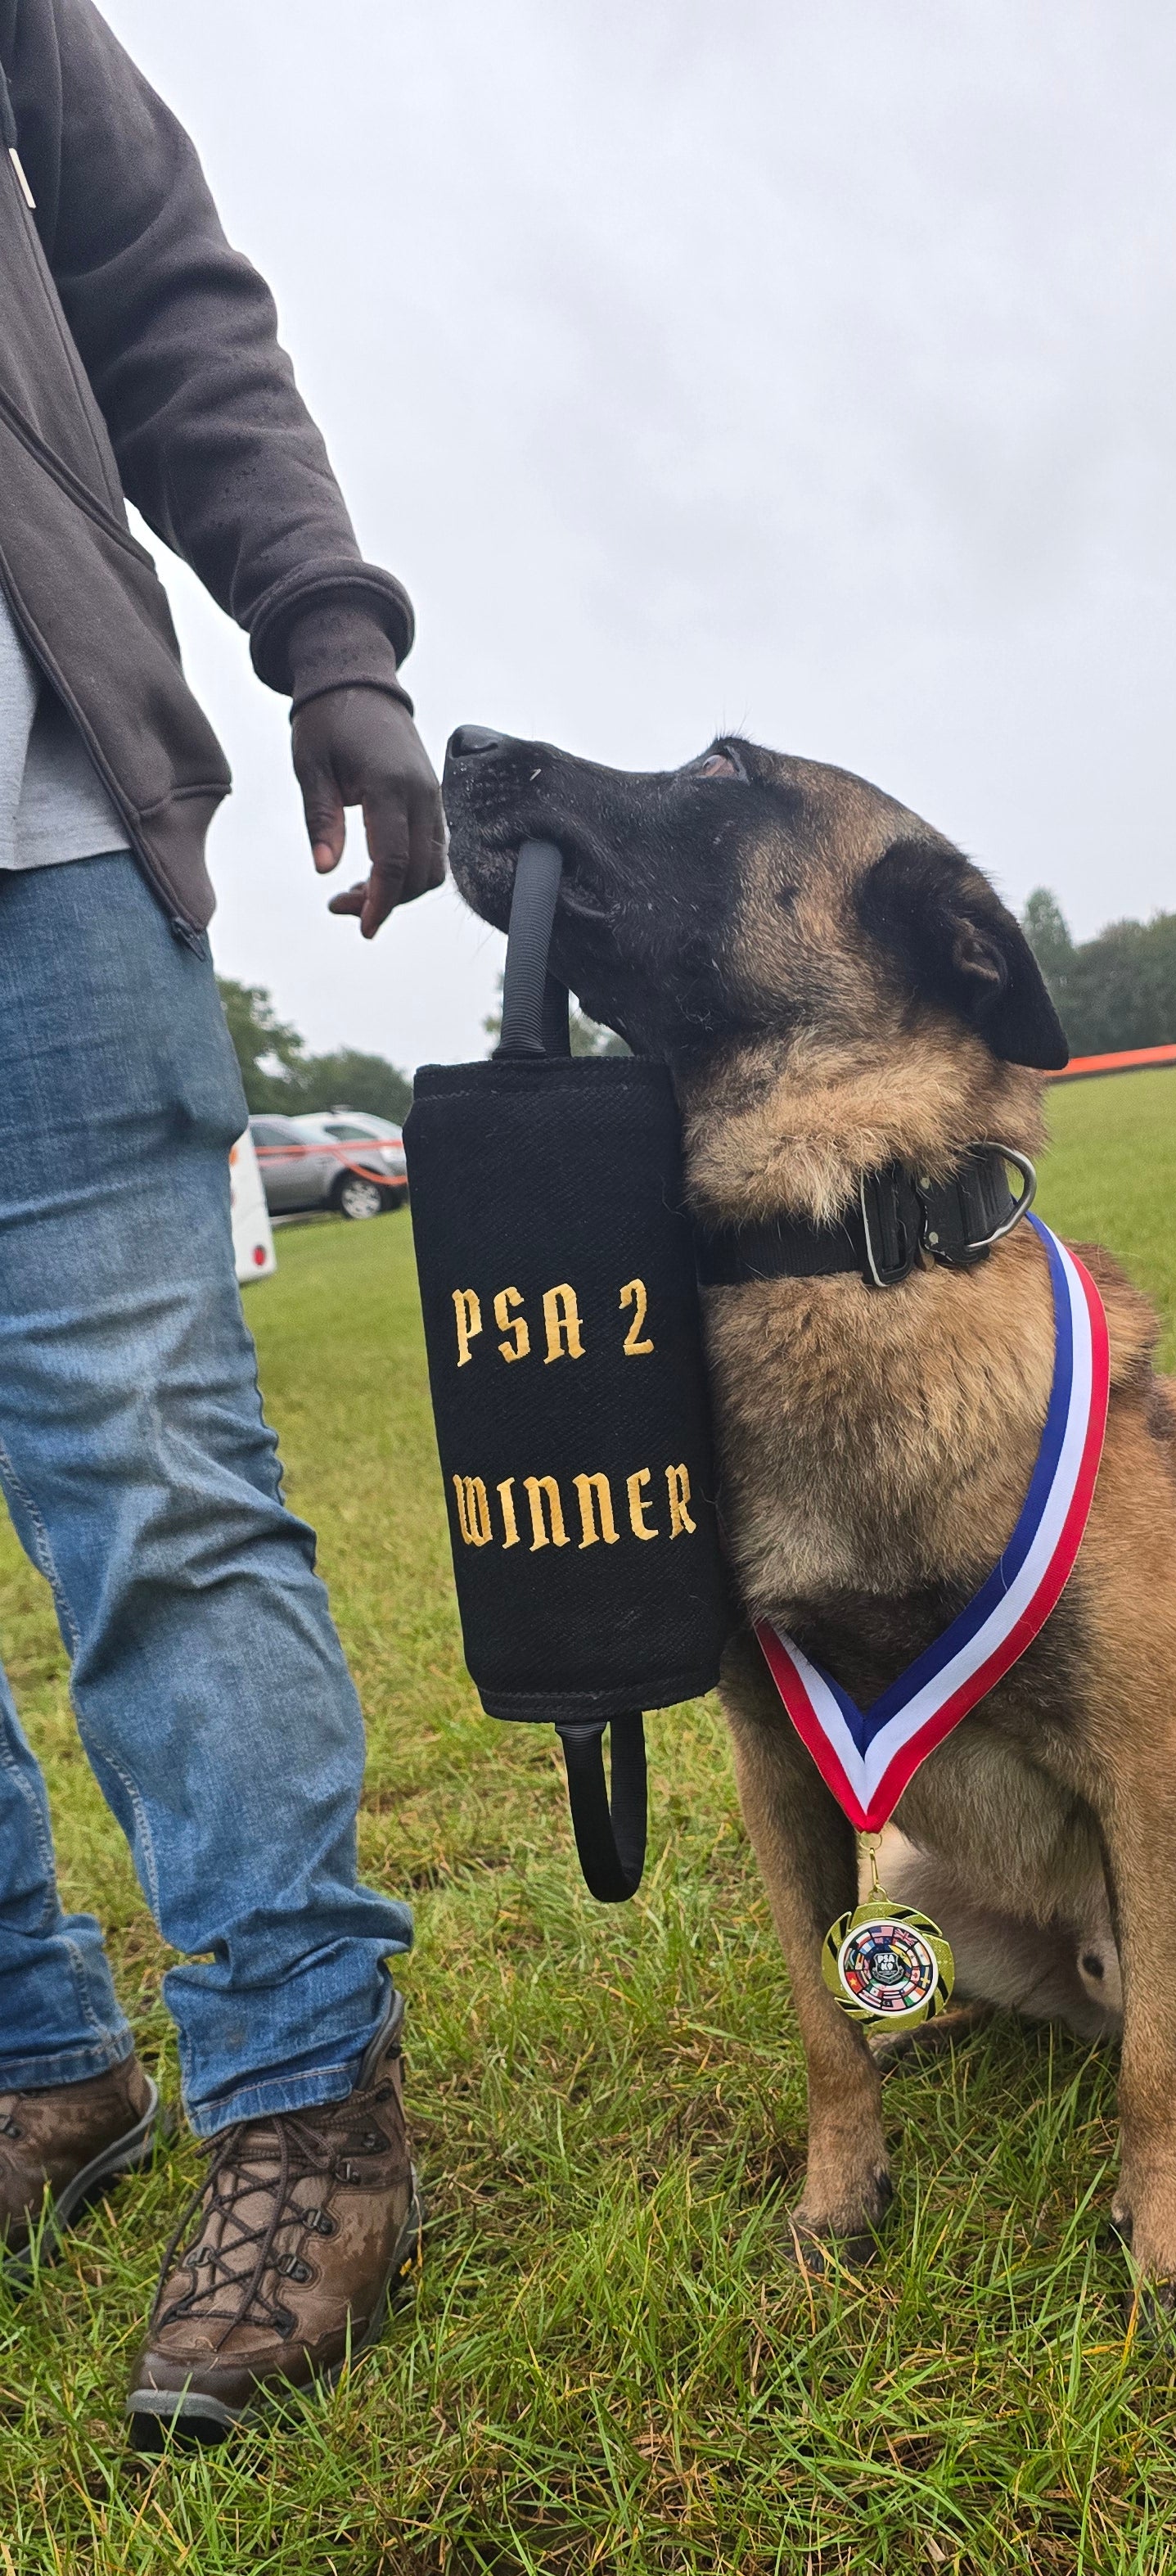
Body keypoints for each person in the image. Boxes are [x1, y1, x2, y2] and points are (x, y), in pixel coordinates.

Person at [0, 0, 445, 2445]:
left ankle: (305, 2100)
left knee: (151, 1481)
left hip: (36, 855)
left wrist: (328, 633)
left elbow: (154, 277)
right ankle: (37, 2060)